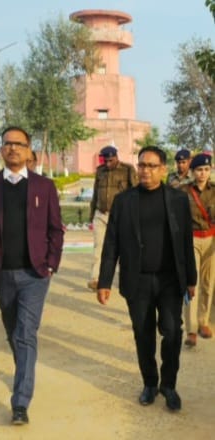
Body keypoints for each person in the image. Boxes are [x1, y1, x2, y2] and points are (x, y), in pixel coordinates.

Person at [0, 126, 64, 425]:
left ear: (29, 149)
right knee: (13, 331)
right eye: (8, 143)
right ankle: (25, 371)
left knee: (25, 333)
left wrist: (51, 264)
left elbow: (56, 229)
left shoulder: (44, 187)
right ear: (1, 149)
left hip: (35, 274)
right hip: (1, 272)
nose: (13, 148)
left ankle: (20, 403)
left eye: (19, 144)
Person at [97, 146, 197, 411]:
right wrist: (104, 281)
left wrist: (190, 279)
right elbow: (111, 243)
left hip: (170, 280)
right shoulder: (124, 201)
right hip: (137, 280)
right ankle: (150, 384)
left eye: (151, 166)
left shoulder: (177, 200)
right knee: (143, 335)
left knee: (173, 332)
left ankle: (169, 385)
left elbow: (185, 242)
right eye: (141, 165)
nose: (145, 171)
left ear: (163, 169)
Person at [88, 145, 137, 290]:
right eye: (106, 161)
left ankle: (125, 278)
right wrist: (92, 214)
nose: (108, 164)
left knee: (124, 249)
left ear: (116, 157)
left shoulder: (128, 170)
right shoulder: (100, 171)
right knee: (99, 247)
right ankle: (96, 279)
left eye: (111, 160)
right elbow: (95, 194)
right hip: (101, 214)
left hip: (121, 216)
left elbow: (135, 193)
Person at [181, 153, 215, 347]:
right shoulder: (183, 191)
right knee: (191, 284)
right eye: (199, 170)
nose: (203, 173)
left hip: (211, 240)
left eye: (206, 169)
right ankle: (191, 329)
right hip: (191, 240)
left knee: (208, 283)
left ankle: (203, 322)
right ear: (192, 172)